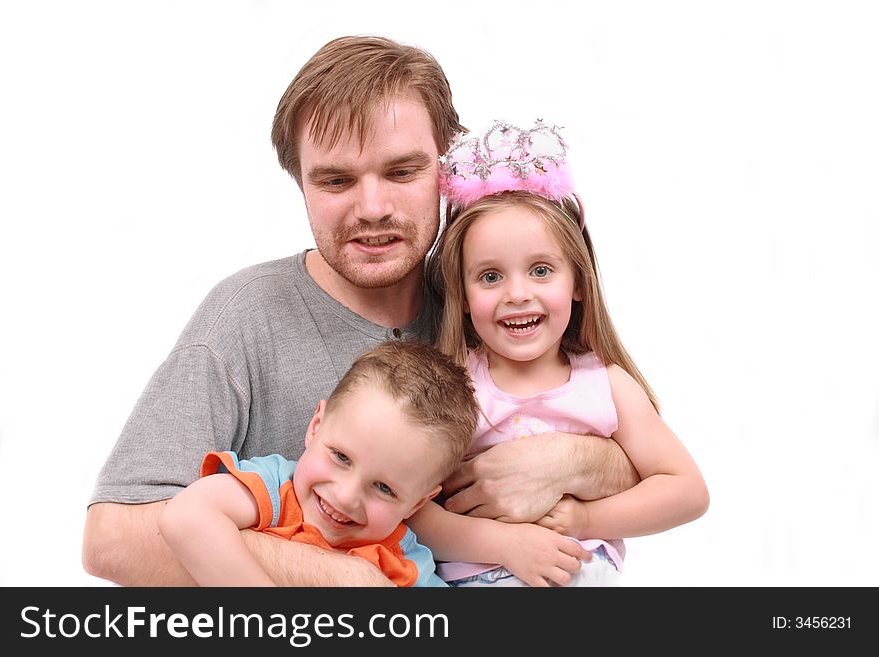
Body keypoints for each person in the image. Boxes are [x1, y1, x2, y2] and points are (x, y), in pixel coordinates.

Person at [82, 36, 640, 587]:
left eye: (401, 172)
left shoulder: (491, 303)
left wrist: (578, 461)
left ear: (446, 168)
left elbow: (637, 441)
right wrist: (347, 580)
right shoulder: (246, 317)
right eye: (336, 180)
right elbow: (111, 539)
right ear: (298, 182)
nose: (372, 208)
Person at [408, 119, 709, 586]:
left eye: (541, 270)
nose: (516, 294)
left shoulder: (605, 384)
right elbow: (411, 513)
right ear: (462, 296)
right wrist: (504, 545)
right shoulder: (454, 386)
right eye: (490, 277)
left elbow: (687, 491)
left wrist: (587, 521)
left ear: (579, 284)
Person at [157, 341, 479, 587]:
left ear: (418, 501)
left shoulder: (405, 563)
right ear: (315, 426)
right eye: (341, 457)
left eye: (384, 488)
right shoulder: (274, 492)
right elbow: (185, 516)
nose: (346, 496)